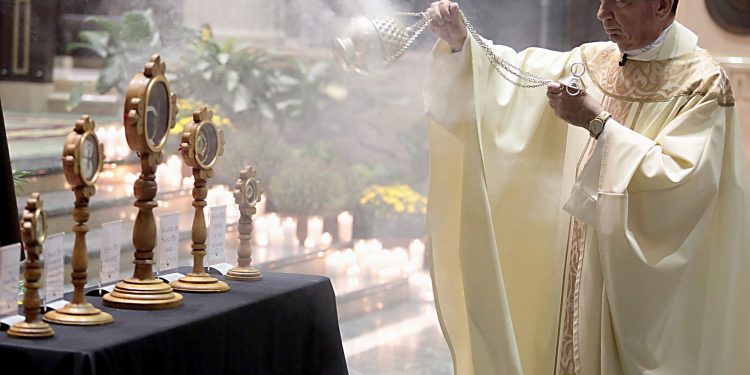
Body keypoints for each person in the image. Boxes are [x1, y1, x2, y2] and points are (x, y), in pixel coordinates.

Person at [423, 0, 750, 374]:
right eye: (601, 0)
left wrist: (597, 121)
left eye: (619, 2)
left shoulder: (703, 83)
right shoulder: (593, 62)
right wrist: (462, 42)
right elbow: (512, 76)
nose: (602, 13)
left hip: (642, 295)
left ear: (661, 5)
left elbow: (679, 182)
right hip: (574, 278)